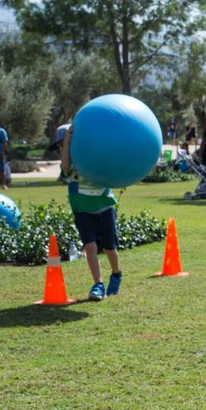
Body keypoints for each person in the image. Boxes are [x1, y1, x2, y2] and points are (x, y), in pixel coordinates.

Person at [59, 124, 122, 301]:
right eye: (61, 146)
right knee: (90, 246)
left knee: (110, 248)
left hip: (104, 208)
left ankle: (116, 274)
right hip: (82, 211)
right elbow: (64, 165)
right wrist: (66, 141)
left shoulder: (94, 161)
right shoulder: (69, 169)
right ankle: (98, 284)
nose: (63, 149)